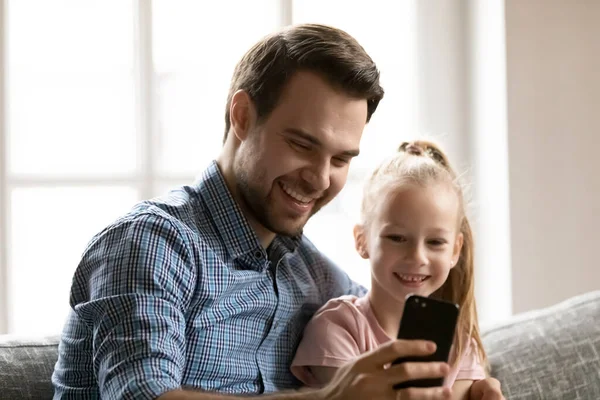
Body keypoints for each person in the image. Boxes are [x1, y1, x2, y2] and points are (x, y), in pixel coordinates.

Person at [52, 23, 503, 400]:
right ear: (243, 117)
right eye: (302, 144)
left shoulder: (317, 279)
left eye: (342, 159)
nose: (321, 178)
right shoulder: (154, 243)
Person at [291, 140, 502, 399]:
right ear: (362, 240)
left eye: (435, 242)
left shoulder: (459, 343)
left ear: (455, 251)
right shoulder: (338, 327)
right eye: (397, 238)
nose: (417, 257)